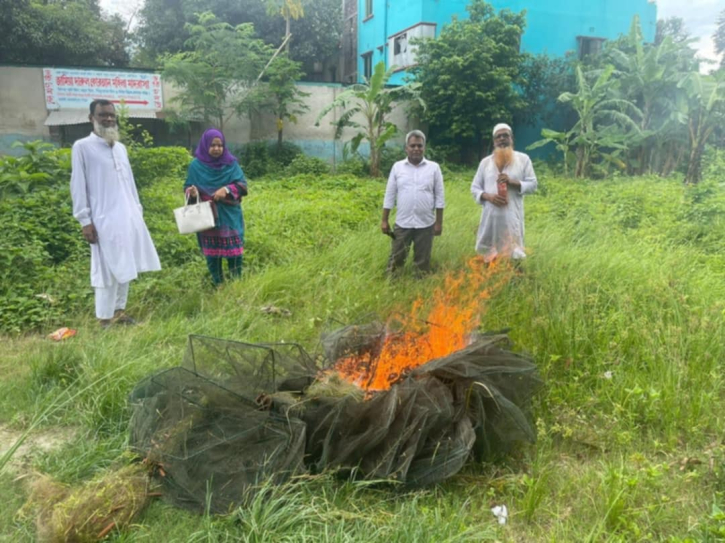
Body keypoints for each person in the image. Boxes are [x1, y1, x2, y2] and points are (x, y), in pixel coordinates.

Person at [70, 99, 161, 328]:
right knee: (106, 269)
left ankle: (120, 312)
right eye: (103, 115)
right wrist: (85, 220)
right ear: (92, 118)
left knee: (126, 265)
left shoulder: (120, 148)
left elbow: (130, 184)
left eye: (111, 115)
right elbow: (78, 185)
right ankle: (104, 318)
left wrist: (137, 213)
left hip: (128, 217)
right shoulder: (82, 147)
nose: (108, 119)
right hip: (103, 220)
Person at [184, 128, 248, 286]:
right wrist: (191, 192)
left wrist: (226, 190)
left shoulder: (231, 164)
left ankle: (236, 283)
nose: (216, 148)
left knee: (234, 253)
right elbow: (187, 185)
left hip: (229, 215)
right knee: (212, 254)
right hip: (207, 215)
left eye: (220, 145)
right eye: (212, 145)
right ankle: (218, 283)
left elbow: (242, 185)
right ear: (205, 145)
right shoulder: (196, 166)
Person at [470, 123, 537, 262]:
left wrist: (513, 182)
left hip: (511, 220)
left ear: (511, 138)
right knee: (488, 257)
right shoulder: (485, 163)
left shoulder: (523, 160)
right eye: (498, 137)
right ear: (494, 141)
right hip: (490, 220)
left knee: (513, 257)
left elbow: (533, 185)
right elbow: (475, 188)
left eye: (505, 135)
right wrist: (488, 196)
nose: (501, 139)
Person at [381, 130, 445, 276]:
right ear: (406, 148)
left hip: (426, 224)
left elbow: (440, 197)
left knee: (422, 263)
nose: (416, 149)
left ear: (424, 148)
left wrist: (439, 223)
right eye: (413, 146)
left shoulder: (434, 168)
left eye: (419, 146)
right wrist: (384, 220)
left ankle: (419, 287)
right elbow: (390, 195)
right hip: (403, 224)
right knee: (396, 260)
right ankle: (391, 285)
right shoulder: (397, 167)